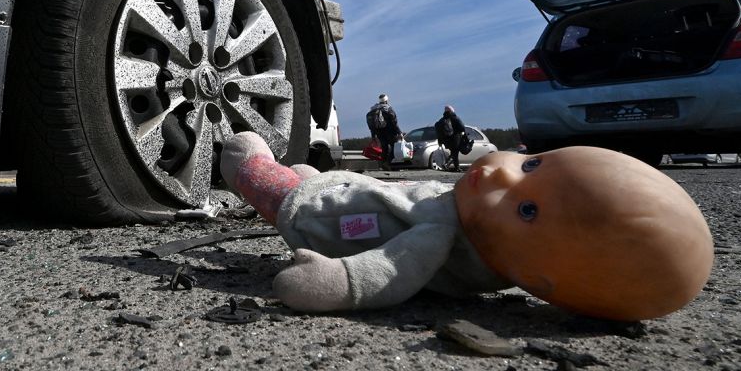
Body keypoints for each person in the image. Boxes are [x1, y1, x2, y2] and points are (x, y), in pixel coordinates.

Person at [220, 132, 713, 321]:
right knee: (314, 178)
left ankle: (245, 167)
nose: (503, 173)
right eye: (532, 164)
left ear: (538, 279)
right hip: (345, 191)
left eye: (526, 210)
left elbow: (390, 270)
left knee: (254, 163)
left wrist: (337, 282)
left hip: (318, 218)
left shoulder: (440, 237)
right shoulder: (472, 218)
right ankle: (309, 178)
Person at [365, 94, 401, 170]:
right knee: (395, 147)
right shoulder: (388, 109)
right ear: (386, 101)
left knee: (384, 148)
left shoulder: (373, 109)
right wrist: (399, 132)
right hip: (390, 132)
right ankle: (387, 163)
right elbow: (394, 122)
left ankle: (383, 165)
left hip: (379, 133)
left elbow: (372, 125)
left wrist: (373, 135)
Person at [435, 105, 465, 171]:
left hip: (446, 140)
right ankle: (447, 164)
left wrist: (440, 141)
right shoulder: (454, 117)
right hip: (455, 138)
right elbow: (462, 127)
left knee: (454, 152)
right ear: (452, 111)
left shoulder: (442, 119)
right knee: (455, 153)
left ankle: (456, 167)